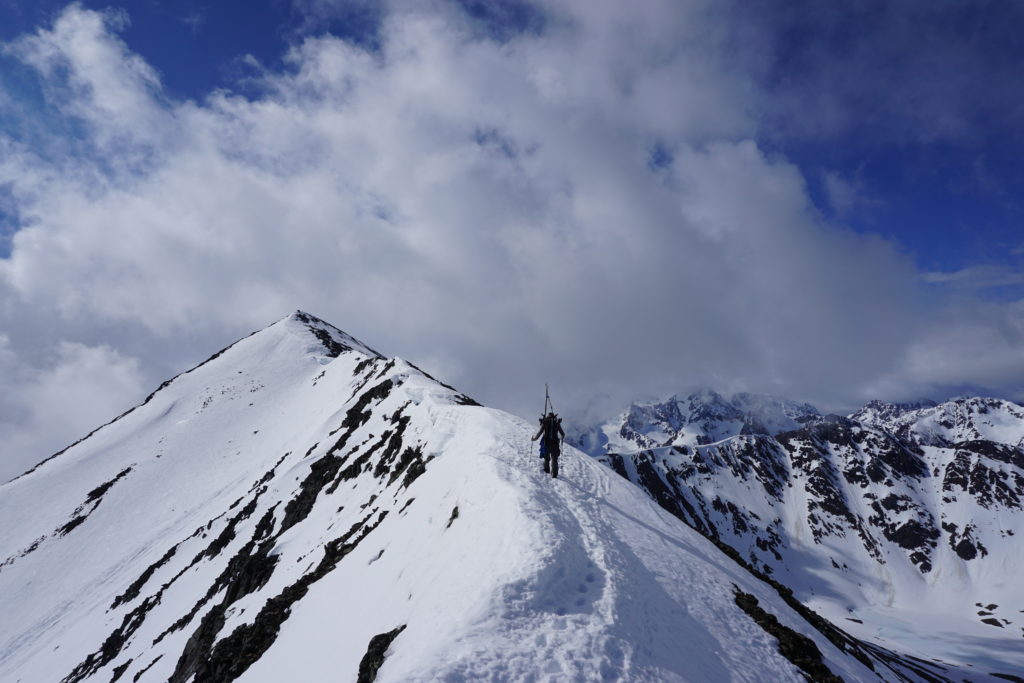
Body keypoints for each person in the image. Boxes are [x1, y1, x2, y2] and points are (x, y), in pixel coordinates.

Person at [532, 412, 565, 478]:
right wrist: (561, 439)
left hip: (546, 443)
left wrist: (534, 439)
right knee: (554, 459)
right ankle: (554, 474)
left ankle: (546, 470)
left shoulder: (545, 422)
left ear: (548, 416)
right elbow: (563, 434)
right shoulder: (556, 423)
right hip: (555, 444)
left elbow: (540, 433)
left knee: (547, 458)